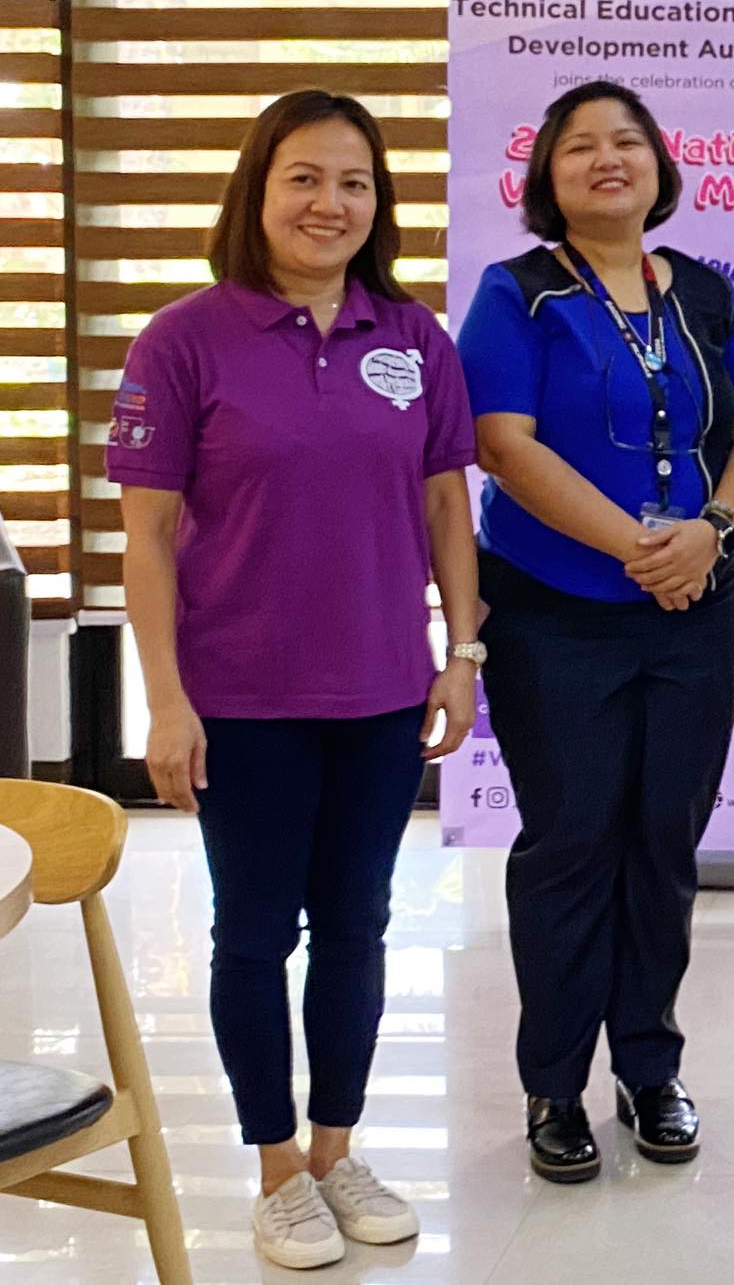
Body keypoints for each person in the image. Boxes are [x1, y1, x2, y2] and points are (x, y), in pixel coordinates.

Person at [113, 90, 480, 1270]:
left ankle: (335, 1151)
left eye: (355, 184)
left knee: (361, 928)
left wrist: (460, 653)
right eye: (305, 180)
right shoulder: (185, 341)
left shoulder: (411, 340)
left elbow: (442, 506)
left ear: (380, 204)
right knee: (253, 934)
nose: (331, 204)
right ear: (258, 192)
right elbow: (150, 537)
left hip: (378, 692)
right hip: (244, 699)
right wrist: (167, 699)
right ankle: (274, 1170)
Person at [456, 79, 734, 1184]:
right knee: (569, 846)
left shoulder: (703, 294)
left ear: (658, 166)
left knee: (662, 844)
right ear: (545, 176)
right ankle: (554, 1084)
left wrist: (714, 529)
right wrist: (639, 549)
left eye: (627, 142)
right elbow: (503, 444)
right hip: (558, 610)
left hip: (698, 612)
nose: (607, 159)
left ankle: (650, 1068)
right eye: (580, 146)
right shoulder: (515, 296)